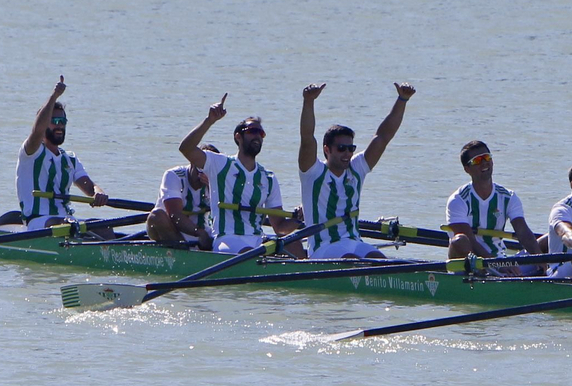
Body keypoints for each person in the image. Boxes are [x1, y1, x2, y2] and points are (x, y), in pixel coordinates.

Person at [296, 82, 416, 260]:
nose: (347, 154)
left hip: (354, 241)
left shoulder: (356, 169)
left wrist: (402, 99)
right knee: (351, 260)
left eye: (351, 148)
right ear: (327, 150)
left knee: (382, 261)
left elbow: (382, 137)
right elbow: (307, 138)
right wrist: (308, 101)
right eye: (341, 148)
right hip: (323, 247)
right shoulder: (313, 173)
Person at [178, 96, 303, 256]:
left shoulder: (268, 178)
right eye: (252, 131)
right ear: (238, 137)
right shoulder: (219, 164)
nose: (257, 136)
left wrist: (299, 217)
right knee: (248, 252)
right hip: (227, 240)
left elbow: (279, 227)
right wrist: (209, 121)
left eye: (261, 133)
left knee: (296, 246)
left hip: (258, 241)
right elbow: (186, 148)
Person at [15, 76, 109, 229]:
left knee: (104, 228)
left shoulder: (70, 159)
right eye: (54, 122)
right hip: (38, 222)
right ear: (45, 123)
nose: (60, 126)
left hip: (68, 222)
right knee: (68, 225)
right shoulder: (31, 152)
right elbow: (37, 129)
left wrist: (99, 193)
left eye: (63, 122)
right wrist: (54, 96)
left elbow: (90, 188)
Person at [444, 141, 541, 274]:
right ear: (467, 169)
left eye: (487, 157)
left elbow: (523, 232)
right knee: (459, 241)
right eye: (477, 160)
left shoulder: (508, 196)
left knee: (549, 239)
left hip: (501, 259)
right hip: (471, 262)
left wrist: (540, 258)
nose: (484, 163)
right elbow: (470, 241)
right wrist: (498, 265)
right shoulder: (458, 200)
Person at [146, 147, 216, 249]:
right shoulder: (174, 176)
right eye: (200, 168)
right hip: (170, 231)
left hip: (203, 233)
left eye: (208, 169)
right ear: (192, 162)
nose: (203, 173)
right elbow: (175, 215)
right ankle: (184, 253)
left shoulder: (217, 181)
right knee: (157, 216)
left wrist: (213, 188)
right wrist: (199, 233)